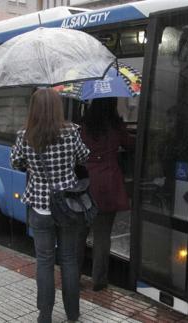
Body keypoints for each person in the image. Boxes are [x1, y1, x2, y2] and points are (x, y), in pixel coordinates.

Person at [10, 88, 89, 323]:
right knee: (69, 259)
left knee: (44, 261)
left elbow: (15, 161)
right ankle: (72, 314)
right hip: (67, 206)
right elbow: (84, 156)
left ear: (33, 109)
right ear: (57, 107)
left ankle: (45, 314)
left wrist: (31, 166)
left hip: (40, 206)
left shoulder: (25, 135)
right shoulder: (72, 131)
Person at [79, 97, 134, 291]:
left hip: (87, 182)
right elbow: (130, 144)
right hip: (109, 182)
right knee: (103, 235)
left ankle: (74, 275)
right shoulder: (115, 126)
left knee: (81, 232)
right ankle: (99, 280)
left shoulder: (85, 125)